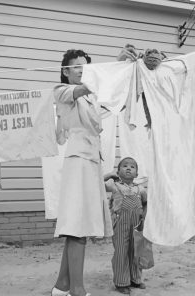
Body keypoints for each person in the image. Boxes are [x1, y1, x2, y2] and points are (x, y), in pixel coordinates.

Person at [51, 47, 138, 296]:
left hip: (90, 164)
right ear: (65, 71)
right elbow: (85, 87)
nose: (82, 70)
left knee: (81, 228)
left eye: (85, 66)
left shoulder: (91, 99)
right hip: (77, 163)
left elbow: (111, 102)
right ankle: (77, 290)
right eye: (77, 66)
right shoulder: (63, 91)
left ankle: (62, 286)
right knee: (77, 228)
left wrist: (123, 68)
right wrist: (113, 65)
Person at [104, 157, 147, 295]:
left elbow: (145, 203)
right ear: (118, 171)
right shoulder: (114, 185)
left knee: (136, 251)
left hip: (137, 223)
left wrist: (144, 218)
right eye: (124, 166)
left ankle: (135, 278)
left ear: (137, 174)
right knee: (121, 251)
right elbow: (95, 183)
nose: (128, 168)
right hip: (120, 223)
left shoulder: (140, 188)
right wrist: (108, 175)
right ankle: (121, 282)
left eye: (132, 167)